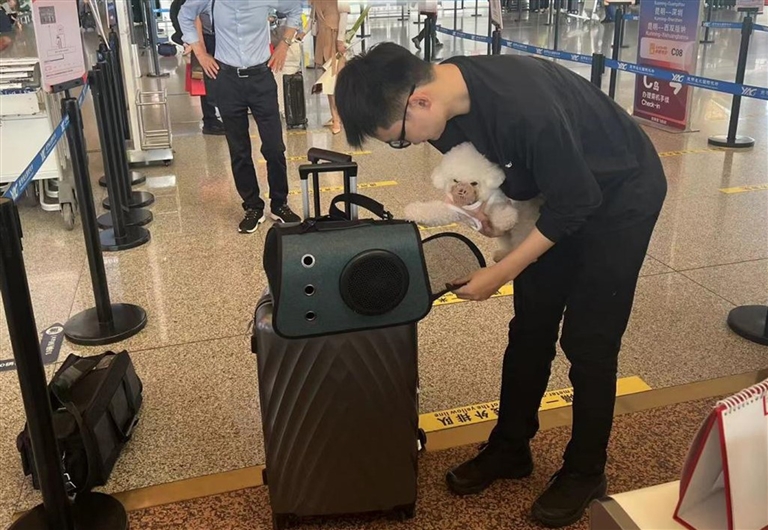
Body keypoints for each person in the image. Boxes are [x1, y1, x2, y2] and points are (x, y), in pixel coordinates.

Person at [334, 43, 667, 528]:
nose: (407, 145)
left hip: (620, 195)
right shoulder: (444, 111)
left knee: (589, 341)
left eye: (399, 140)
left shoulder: (524, 107)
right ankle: (511, 447)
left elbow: (577, 202)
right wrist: (492, 214)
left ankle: (585, 470)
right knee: (531, 325)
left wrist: (501, 271)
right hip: (557, 196)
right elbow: (500, 176)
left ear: (419, 101)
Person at [179, 0, 302, 233]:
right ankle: (252, 206)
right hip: (227, 80)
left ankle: (279, 204)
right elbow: (185, 13)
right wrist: (201, 53)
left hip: (261, 78)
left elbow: (296, 8)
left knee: (274, 147)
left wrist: (284, 45)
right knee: (239, 149)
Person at [170, 0, 225, 135]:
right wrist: (201, 50)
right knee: (208, 76)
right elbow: (196, 18)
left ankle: (214, 118)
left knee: (213, 76)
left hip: (211, 35)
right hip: (205, 37)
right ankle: (210, 120)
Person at [310, 0, 348, 134]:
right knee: (327, 80)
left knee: (334, 80)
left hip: (335, 40)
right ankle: (335, 115)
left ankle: (337, 116)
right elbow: (313, 20)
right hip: (322, 40)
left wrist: (340, 40)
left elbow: (344, 15)